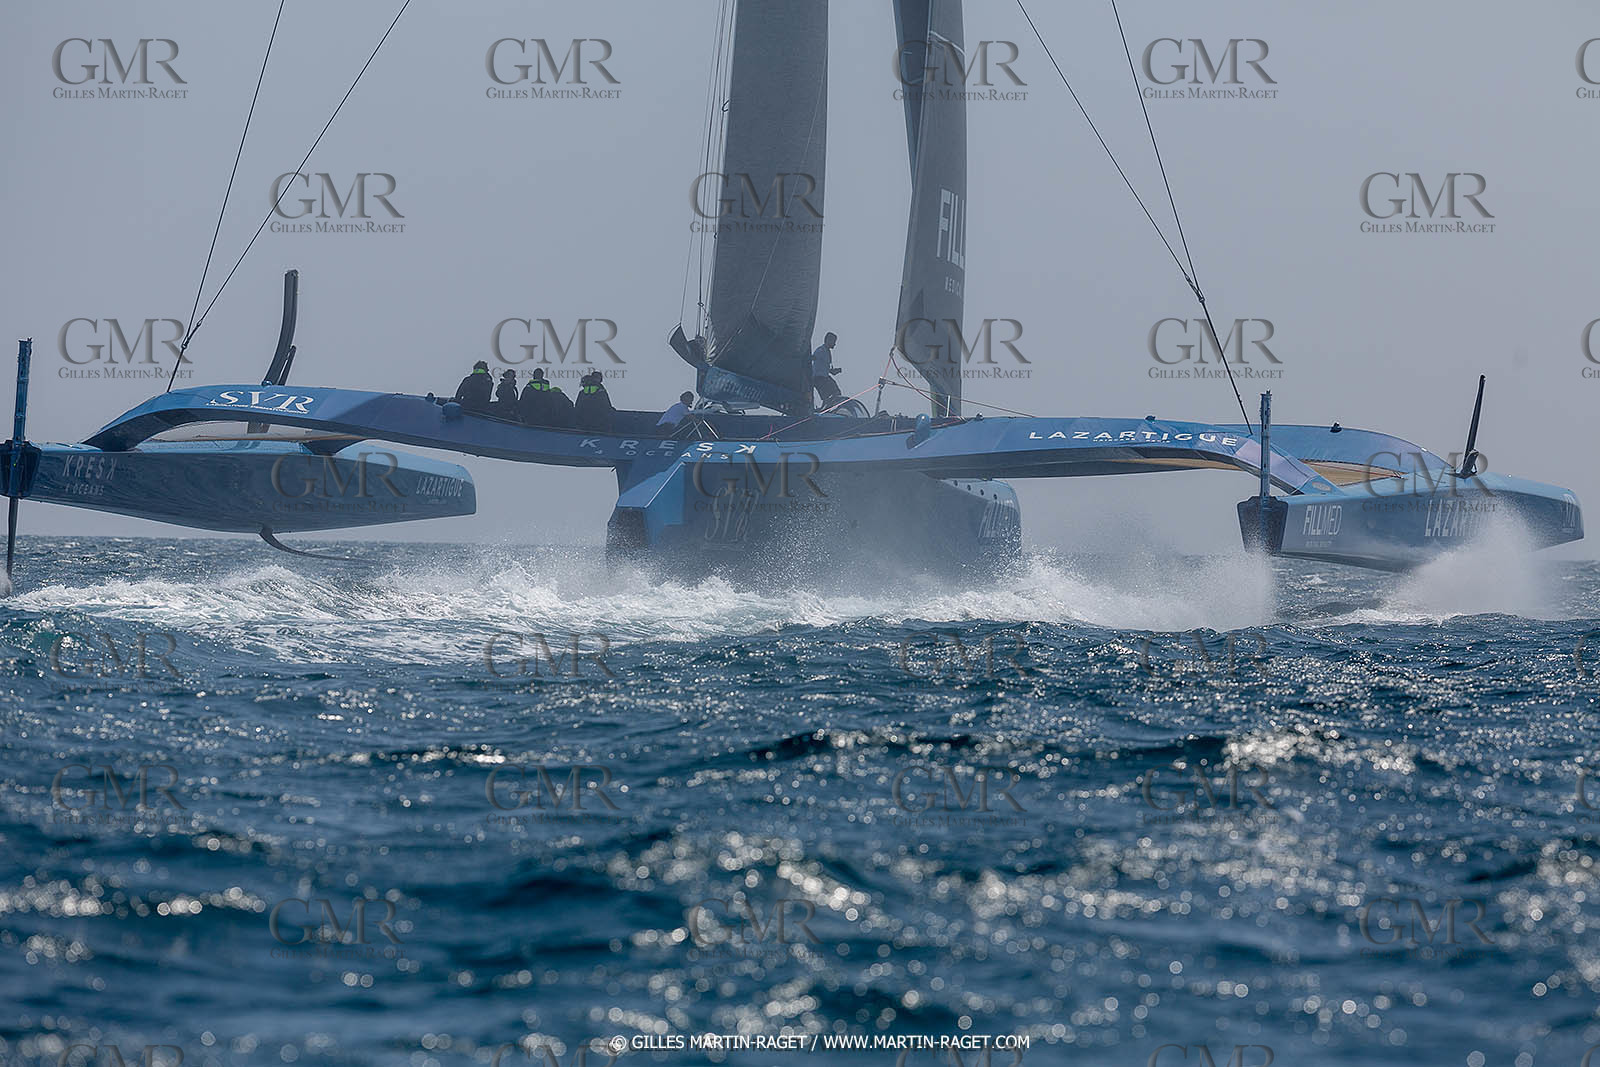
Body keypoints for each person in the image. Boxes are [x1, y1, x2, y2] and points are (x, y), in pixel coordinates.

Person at [811, 331, 842, 409]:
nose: (835, 344)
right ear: (828, 340)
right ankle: (824, 408)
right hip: (819, 378)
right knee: (827, 395)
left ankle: (826, 407)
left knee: (836, 392)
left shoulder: (827, 351)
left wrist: (833, 371)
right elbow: (814, 359)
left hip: (824, 377)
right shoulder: (821, 350)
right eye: (833, 342)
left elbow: (824, 367)